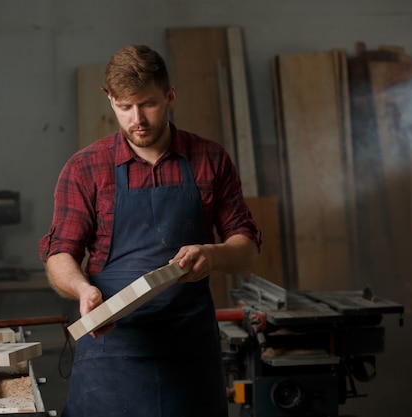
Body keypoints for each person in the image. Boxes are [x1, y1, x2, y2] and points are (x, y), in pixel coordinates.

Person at [39, 44, 261, 417]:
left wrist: (213, 254)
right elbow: (60, 253)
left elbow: (247, 244)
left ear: (170, 96)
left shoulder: (210, 158)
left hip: (189, 357)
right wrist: (82, 289)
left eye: (148, 104)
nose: (137, 118)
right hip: (111, 357)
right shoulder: (85, 168)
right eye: (125, 106)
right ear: (110, 100)